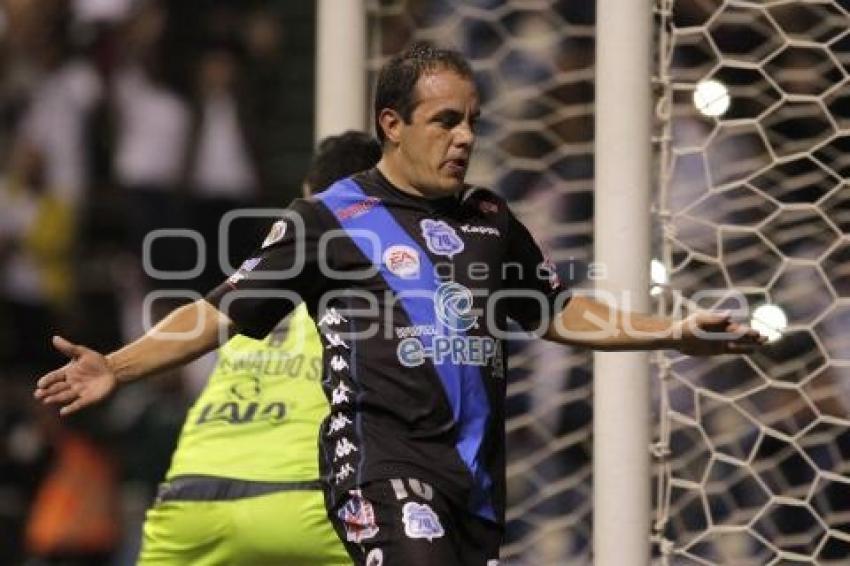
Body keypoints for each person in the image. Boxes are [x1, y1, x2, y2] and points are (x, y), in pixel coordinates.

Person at [35, 43, 765, 566]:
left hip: (474, 481)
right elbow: (221, 309)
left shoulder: (491, 217)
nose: (465, 137)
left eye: (472, 120)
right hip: (380, 466)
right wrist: (118, 367)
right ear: (392, 124)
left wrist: (671, 330)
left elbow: (556, 310)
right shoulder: (328, 217)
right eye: (445, 121)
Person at [137, 131, 381, 566]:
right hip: (308, 501)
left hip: (190, 497)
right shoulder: (377, 287)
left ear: (306, 194)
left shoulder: (254, 287)